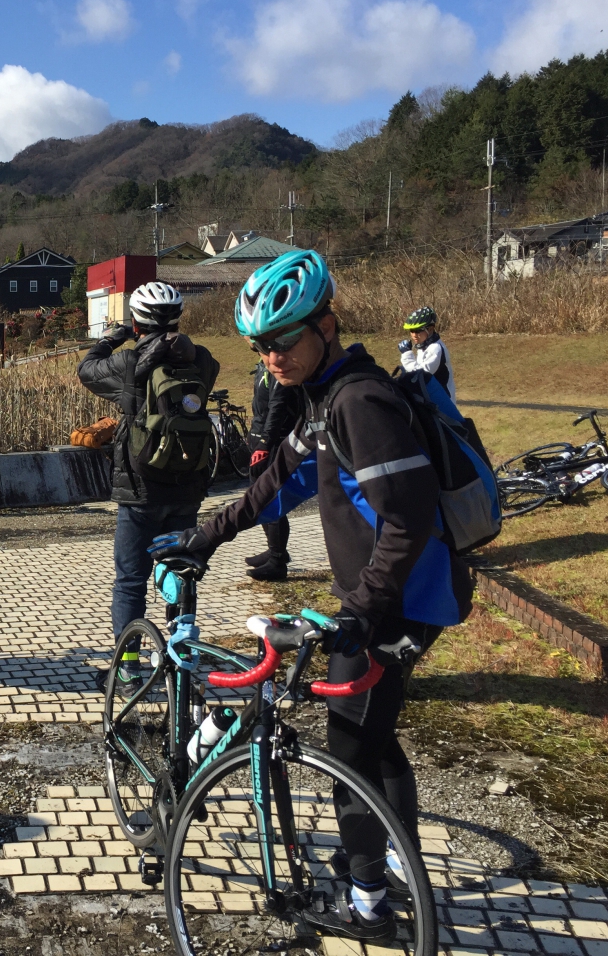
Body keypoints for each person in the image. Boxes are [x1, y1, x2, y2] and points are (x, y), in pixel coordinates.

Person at [150, 250, 472, 941]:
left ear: (325, 325)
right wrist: (205, 537)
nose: (273, 358)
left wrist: (361, 610)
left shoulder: (360, 402)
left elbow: (409, 518)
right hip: (390, 598)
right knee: (375, 739)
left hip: (399, 603)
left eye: (285, 340)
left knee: (351, 748)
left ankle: (368, 904)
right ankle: (389, 863)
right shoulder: (325, 398)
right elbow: (276, 484)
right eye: (261, 347)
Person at [77, 281, 220, 676]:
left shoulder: (128, 363)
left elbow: (86, 371)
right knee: (180, 572)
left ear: (137, 322)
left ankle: (127, 668)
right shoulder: (203, 360)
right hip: (188, 485)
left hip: (140, 489)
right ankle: (179, 658)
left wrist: (112, 339)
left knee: (130, 581)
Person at [244, 360, 302, 581]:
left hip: (273, 442)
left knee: (270, 498)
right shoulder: (262, 364)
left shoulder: (276, 366)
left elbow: (277, 407)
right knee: (259, 497)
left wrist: (264, 444)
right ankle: (274, 549)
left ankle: (277, 561)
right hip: (260, 435)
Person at [398, 305, 454, 398]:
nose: (414, 335)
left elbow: (420, 375)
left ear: (430, 329)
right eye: (412, 330)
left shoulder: (436, 348)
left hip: (443, 400)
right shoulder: (424, 346)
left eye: (418, 330)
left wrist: (406, 355)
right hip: (431, 397)